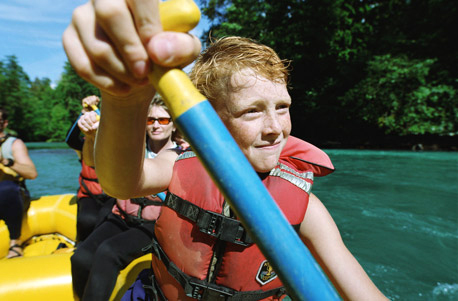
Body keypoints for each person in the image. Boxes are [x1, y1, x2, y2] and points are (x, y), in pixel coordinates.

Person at [62, 1, 388, 300]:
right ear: (213, 121)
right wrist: (124, 101)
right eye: (252, 111)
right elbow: (122, 184)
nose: (276, 127)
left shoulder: (308, 212)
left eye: (282, 106)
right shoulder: (177, 164)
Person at [71, 95, 185, 301]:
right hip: (122, 217)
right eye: (150, 120)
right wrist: (91, 136)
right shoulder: (131, 147)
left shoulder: (180, 154)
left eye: (163, 120)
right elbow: (90, 160)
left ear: (173, 124)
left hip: (155, 227)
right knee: (80, 257)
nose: (156, 125)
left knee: (108, 253)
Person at [65, 95, 116, 243]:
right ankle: (80, 244)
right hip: (88, 194)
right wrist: (84, 113)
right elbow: (69, 138)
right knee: (86, 219)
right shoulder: (82, 145)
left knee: (106, 218)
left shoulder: (115, 145)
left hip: (112, 195)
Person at [0, 107, 38, 258]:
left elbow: (32, 173)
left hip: (12, 194)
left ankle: (15, 243)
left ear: (4, 123)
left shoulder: (14, 144)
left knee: (6, 188)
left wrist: (5, 161)